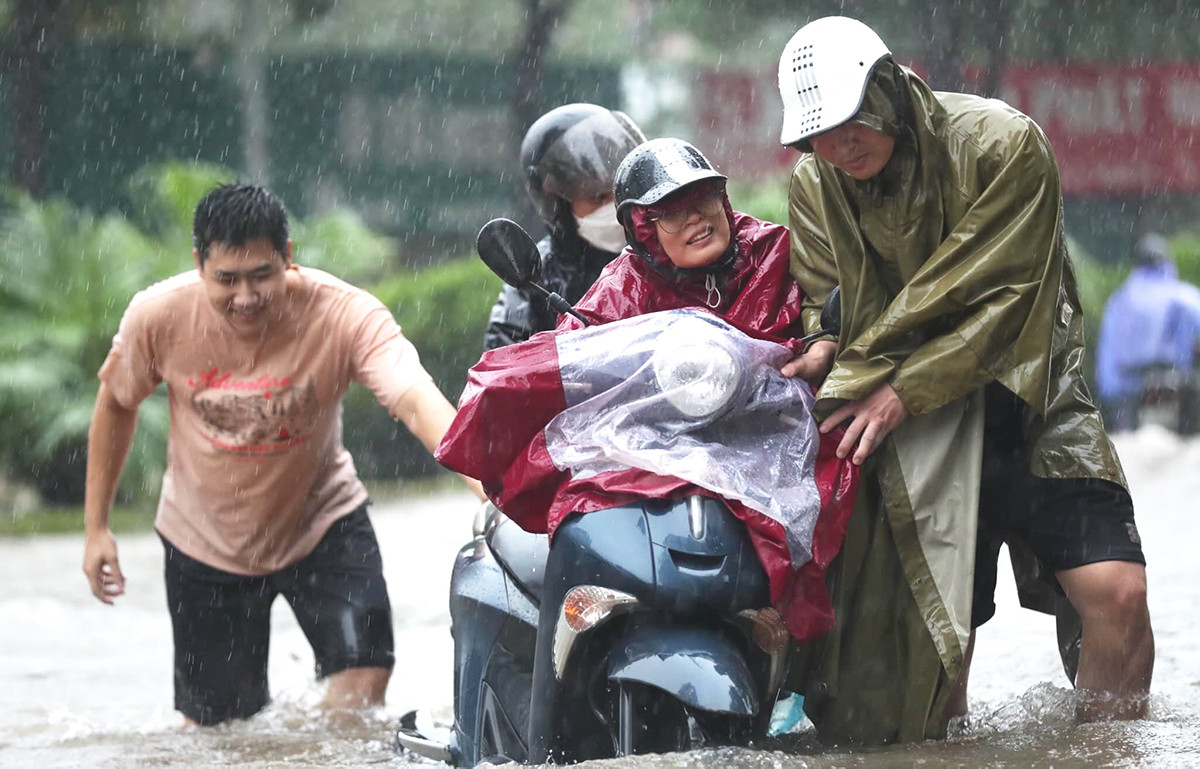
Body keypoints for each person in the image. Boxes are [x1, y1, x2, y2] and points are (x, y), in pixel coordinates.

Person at [774, 16, 1153, 743]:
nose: (840, 144)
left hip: (1032, 394)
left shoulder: (1004, 144)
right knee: (937, 651)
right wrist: (826, 348)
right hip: (918, 430)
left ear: (890, 88)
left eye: (854, 118)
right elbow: (832, 307)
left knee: (1118, 594)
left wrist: (899, 385)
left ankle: (1110, 748)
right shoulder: (817, 183)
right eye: (820, 133)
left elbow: (1014, 300)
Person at [82, 183, 484, 726]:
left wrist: (484, 478)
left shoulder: (344, 314)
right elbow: (115, 403)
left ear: (288, 258)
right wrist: (96, 527)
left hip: (322, 523)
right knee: (220, 732)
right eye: (226, 279)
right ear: (199, 264)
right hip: (203, 541)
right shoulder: (158, 316)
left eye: (261, 275)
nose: (245, 297)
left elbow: (415, 400)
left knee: (364, 680)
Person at [481, 102, 646, 350]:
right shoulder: (538, 277)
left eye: (620, 189)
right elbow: (502, 361)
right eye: (597, 197)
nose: (615, 205)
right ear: (558, 206)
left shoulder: (670, 244)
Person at [1096, 233, 1200, 433]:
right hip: (1171, 379)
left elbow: (1106, 351)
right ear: (1166, 261)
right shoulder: (1179, 294)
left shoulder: (1118, 301)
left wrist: (1111, 392)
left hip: (1128, 388)